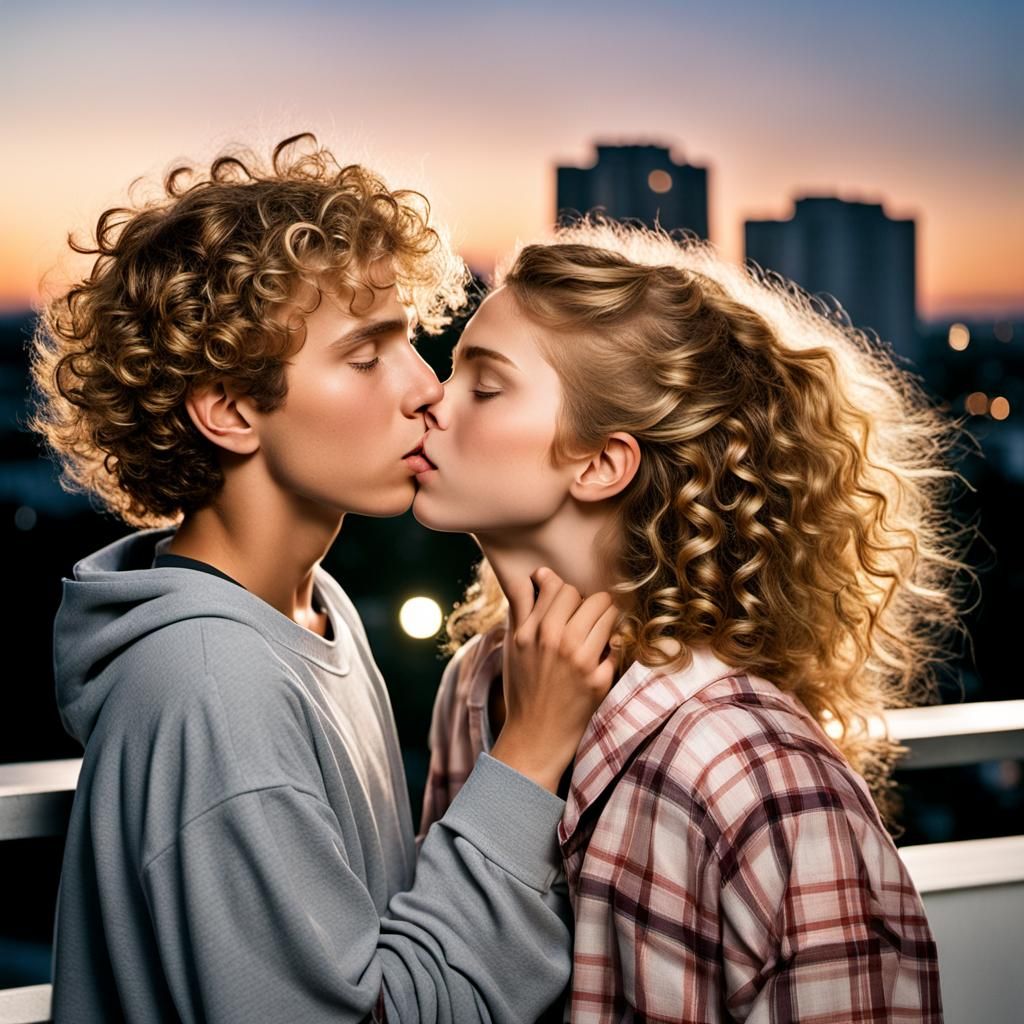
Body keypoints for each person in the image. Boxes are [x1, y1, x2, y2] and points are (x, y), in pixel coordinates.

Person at [29, 134, 619, 1023]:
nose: (427, 388)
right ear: (229, 410)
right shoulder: (210, 687)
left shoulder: (312, 609)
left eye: (411, 341)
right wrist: (530, 757)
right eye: (366, 354)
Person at [414, 221, 973, 1022]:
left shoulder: (757, 776)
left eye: (484, 383)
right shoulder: (477, 686)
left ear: (602, 462)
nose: (432, 399)